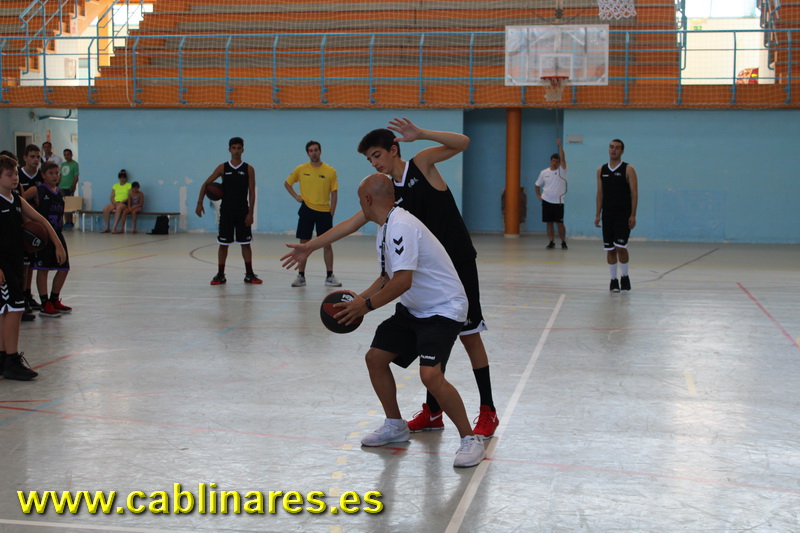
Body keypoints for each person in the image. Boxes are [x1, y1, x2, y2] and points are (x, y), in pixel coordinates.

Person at [281, 118, 500, 438]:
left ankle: (488, 409)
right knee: (430, 336)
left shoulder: (421, 164)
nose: (374, 163)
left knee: (469, 335)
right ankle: (433, 412)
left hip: (457, 262)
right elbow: (351, 223)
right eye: (369, 159)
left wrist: (421, 134)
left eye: (377, 155)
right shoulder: (386, 194)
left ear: (393, 150)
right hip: (425, 269)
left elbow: (463, 142)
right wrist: (310, 247)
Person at [334, 173, 485, 468]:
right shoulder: (386, 226)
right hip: (415, 309)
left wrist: (365, 306)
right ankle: (395, 425)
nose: (360, 205)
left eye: (360, 200)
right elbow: (387, 277)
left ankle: (471, 439)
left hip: (443, 308)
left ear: (367, 199)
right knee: (375, 358)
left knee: (430, 376)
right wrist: (358, 301)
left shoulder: (401, 225)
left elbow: (403, 281)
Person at [0, 154, 66, 380]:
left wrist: (57, 243)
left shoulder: (16, 200)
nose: (15, 178)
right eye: (9, 174)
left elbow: (42, 220)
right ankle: (11, 360)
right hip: (2, 265)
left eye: (15, 174)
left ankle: (4, 359)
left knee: (6, 310)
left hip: (15, 262)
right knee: (14, 309)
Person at [195, 137, 262, 285]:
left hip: (243, 211)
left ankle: (249, 274)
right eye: (234, 148)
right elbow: (206, 184)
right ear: (229, 150)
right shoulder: (223, 167)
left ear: (243, 150)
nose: (236, 151)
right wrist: (199, 203)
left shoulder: (249, 168)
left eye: (239, 148)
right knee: (223, 243)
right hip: (226, 211)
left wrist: (251, 212)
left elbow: (252, 191)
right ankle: (220, 274)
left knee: (245, 243)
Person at [284, 140, 342, 288]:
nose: (314, 153)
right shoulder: (301, 169)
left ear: (320, 151)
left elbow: (334, 193)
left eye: (316, 150)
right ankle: (301, 276)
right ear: (308, 153)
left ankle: (330, 276)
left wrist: (332, 212)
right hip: (307, 210)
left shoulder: (330, 171)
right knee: (303, 244)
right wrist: (296, 197)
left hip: (324, 212)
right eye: (311, 150)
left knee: (327, 244)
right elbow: (287, 183)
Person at [23, 162, 72, 318]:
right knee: (43, 269)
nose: (55, 176)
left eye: (57, 173)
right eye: (51, 173)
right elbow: (19, 201)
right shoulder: (37, 190)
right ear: (43, 175)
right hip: (43, 235)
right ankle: (45, 304)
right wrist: (29, 221)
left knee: (64, 268)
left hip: (58, 233)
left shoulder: (61, 192)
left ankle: (54, 299)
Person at [594, 139, 638, 292]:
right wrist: (597, 214)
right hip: (607, 215)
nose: (614, 150)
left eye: (617, 148)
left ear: (622, 151)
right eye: (612, 147)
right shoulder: (601, 170)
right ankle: (613, 280)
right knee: (610, 249)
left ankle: (625, 276)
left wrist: (633, 215)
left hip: (623, 215)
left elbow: (634, 193)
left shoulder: (628, 169)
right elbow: (600, 193)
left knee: (621, 247)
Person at [17, 144, 43, 320]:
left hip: (36, 223)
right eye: (32, 156)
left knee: (31, 263)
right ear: (25, 157)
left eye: (37, 157)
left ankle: (27, 293)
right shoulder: (17, 176)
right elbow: (20, 199)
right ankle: (21, 297)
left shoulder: (42, 176)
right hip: (22, 224)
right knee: (23, 264)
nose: (35, 160)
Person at [534, 138, 568, 250]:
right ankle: (551, 241)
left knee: (559, 223)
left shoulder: (562, 170)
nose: (555, 163)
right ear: (550, 161)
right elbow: (537, 185)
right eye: (553, 161)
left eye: (557, 161)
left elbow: (563, 158)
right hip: (547, 200)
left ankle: (563, 242)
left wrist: (560, 146)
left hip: (559, 201)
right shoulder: (544, 172)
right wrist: (539, 196)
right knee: (549, 222)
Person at [59, 148, 79, 228]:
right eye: (65, 155)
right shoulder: (63, 164)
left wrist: (72, 187)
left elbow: (76, 177)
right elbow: (60, 175)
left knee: (69, 205)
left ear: (71, 155)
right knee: (63, 205)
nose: (66, 156)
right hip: (61, 187)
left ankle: (70, 222)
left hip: (69, 187)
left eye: (68, 154)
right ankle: (66, 221)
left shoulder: (74, 164)